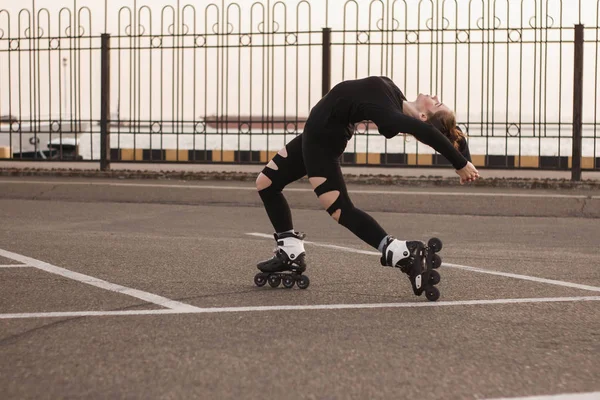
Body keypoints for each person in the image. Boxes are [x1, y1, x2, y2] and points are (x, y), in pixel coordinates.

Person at [254, 76, 480, 295]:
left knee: (340, 210)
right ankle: (290, 252)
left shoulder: (390, 116)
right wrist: (465, 160)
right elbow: (451, 134)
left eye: (437, 103)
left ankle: (399, 252)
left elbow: (428, 131)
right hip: (313, 135)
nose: (435, 95)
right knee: (266, 183)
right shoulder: (394, 96)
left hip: (321, 142)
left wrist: (459, 164)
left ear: (422, 116)